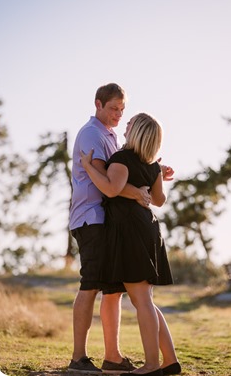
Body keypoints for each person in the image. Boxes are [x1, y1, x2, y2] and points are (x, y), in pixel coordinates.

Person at [80, 112, 181, 376]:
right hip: (148, 227)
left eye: (130, 122)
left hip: (129, 230)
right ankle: (169, 361)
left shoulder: (121, 159)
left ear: (137, 132)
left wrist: (88, 166)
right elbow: (159, 200)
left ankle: (151, 365)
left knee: (142, 301)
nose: (126, 124)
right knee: (145, 299)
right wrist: (148, 183)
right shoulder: (152, 166)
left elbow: (111, 189)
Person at [68, 84, 152, 374]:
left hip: (106, 221)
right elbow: (108, 183)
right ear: (98, 104)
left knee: (112, 290)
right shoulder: (92, 133)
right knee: (90, 284)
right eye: (113, 108)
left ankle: (112, 357)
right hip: (90, 218)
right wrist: (139, 193)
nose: (117, 114)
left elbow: (120, 175)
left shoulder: (110, 135)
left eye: (121, 110)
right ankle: (78, 359)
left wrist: (153, 175)